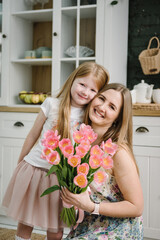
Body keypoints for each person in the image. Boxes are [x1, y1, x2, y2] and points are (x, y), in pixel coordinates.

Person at [2, 62, 109, 240]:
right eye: (82, 84)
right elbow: (32, 136)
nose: (85, 92)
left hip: (62, 178)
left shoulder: (89, 115)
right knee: (25, 222)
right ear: (72, 80)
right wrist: (20, 163)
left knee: (56, 228)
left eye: (92, 90)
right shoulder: (52, 104)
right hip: (34, 169)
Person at [61, 83, 144, 240]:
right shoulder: (79, 138)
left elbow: (137, 207)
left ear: (118, 118)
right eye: (101, 98)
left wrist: (91, 206)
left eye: (112, 107)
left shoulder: (118, 152)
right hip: (89, 222)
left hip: (119, 227)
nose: (102, 107)